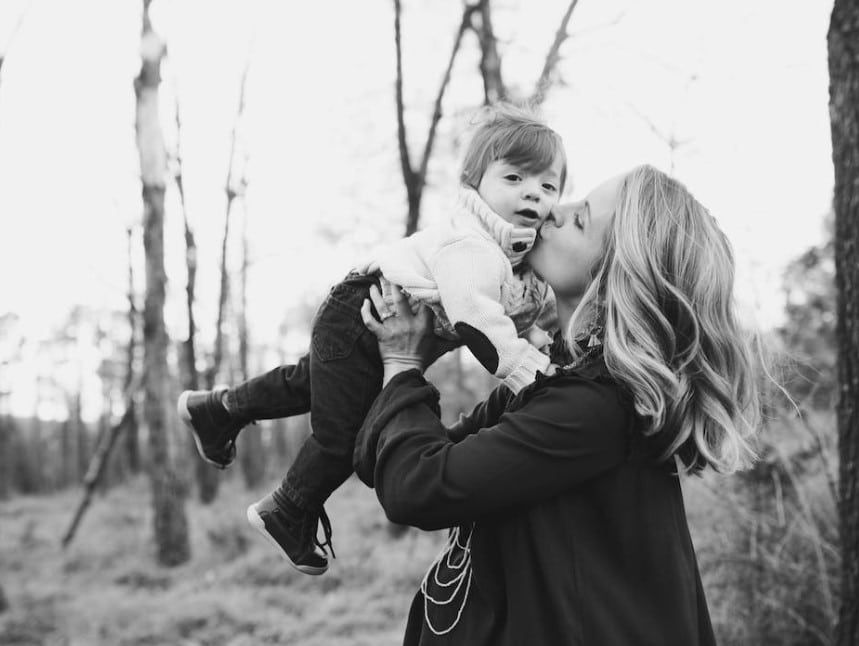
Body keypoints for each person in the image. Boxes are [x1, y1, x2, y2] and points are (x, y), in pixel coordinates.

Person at [353, 164, 762, 645]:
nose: (553, 209)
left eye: (581, 219)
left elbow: (418, 487)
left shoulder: (598, 405)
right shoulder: (554, 378)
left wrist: (402, 363)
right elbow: (391, 463)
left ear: (619, 274)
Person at [176, 103, 566, 575]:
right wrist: (531, 372)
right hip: (362, 311)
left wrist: (547, 336)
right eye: (515, 179)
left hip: (358, 315)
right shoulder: (471, 246)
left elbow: (529, 310)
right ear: (474, 182)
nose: (534, 194)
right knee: (344, 432)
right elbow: (479, 322)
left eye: (548, 185)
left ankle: (215, 409)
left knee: (307, 381)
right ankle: (287, 509)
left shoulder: (513, 256)